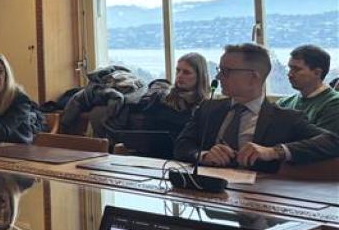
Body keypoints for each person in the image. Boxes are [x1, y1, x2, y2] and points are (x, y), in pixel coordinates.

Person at [174, 43, 339, 170]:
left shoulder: (286, 118)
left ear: (253, 77)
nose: (218, 76)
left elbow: (333, 141)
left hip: (258, 199)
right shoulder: (208, 108)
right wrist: (203, 155)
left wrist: (275, 152)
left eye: (226, 71)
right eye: (219, 70)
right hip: (206, 196)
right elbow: (181, 146)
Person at [134, 52, 211, 141]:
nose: (179, 76)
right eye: (178, 71)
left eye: (186, 72)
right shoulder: (161, 99)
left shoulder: (206, 107)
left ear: (200, 76)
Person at [277, 45, 339, 135]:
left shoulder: (334, 103)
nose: (289, 74)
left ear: (317, 73)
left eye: (296, 69)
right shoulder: (284, 103)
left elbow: (321, 143)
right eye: (290, 68)